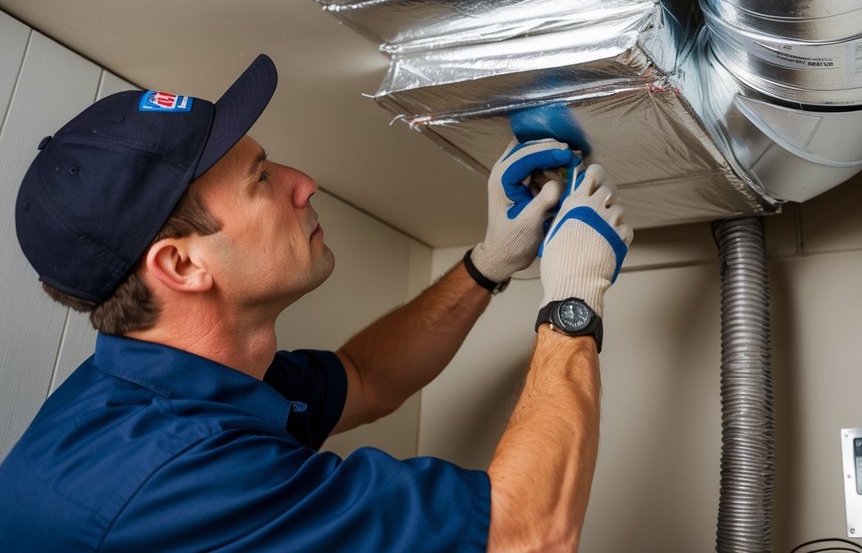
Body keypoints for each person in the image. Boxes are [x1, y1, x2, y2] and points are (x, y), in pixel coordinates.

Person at [0, 54, 632, 552]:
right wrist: (573, 299)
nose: (305, 184)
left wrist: (489, 263)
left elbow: (366, 379)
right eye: (264, 180)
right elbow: (523, 536)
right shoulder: (176, 470)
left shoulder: (172, 383)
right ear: (182, 264)